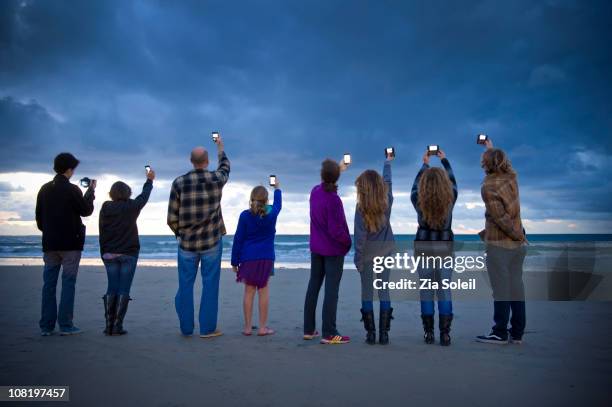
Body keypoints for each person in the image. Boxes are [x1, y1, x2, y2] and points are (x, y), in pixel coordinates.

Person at [167, 136, 230, 338]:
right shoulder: (215, 179)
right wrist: (220, 148)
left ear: (191, 161)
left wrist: (181, 234)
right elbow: (226, 168)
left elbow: (171, 217)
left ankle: (186, 328)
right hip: (211, 242)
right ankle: (207, 329)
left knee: (185, 286)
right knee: (210, 286)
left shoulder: (179, 183)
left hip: (186, 244)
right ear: (207, 161)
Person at [35, 152, 96, 336]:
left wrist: (50, 231)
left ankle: (46, 326)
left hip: (50, 243)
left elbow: (39, 220)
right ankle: (66, 324)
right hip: (70, 244)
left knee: (49, 285)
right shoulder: (72, 190)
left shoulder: (44, 189)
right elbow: (86, 211)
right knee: (68, 284)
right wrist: (91, 192)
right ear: (69, 169)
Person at [476, 139, 528, 345]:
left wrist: (516, 234)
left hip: (500, 245)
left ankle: (499, 332)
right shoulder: (511, 178)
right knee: (517, 287)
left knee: (501, 289)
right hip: (517, 247)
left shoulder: (488, 186)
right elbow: (502, 165)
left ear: (486, 164)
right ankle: (517, 332)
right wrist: (491, 148)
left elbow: (501, 219)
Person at [98, 167, 155, 336]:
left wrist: (103, 252)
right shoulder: (131, 206)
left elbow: (102, 230)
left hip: (109, 253)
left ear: (111, 194)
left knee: (112, 287)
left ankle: (109, 325)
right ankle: (117, 325)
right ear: (128, 193)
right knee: (124, 289)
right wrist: (149, 180)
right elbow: (143, 197)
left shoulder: (106, 207)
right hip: (128, 253)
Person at [411, 148, 457, 346]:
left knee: (427, 291)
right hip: (445, 248)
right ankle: (445, 334)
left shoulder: (418, 199)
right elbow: (454, 182)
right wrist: (445, 161)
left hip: (423, 249)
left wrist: (425, 164)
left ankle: (429, 333)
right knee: (444, 290)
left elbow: (414, 186)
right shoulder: (450, 198)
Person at [304, 158, 352, 344]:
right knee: (331, 290)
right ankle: (329, 332)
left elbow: (326, 184)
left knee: (313, 286)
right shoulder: (334, 200)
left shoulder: (315, 192)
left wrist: (338, 169)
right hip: (332, 250)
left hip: (317, 248)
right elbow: (336, 230)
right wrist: (348, 241)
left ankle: (309, 329)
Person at [231, 181, 282, 337]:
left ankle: (247, 328)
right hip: (266, 257)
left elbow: (238, 239)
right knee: (263, 291)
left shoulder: (245, 215)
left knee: (249, 291)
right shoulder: (271, 213)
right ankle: (262, 328)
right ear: (266, 201)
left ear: (251, 199)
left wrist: (234, 261)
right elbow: (278, 204)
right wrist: (277, 188)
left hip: (248, 257)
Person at [354, 155, 395, 345]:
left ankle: (371, 334)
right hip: (386, 252)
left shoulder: (361, 207)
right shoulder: (387, 201)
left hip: (369, 256)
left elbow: (360, 237)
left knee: (367, 292)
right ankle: (384, 334)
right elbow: (388, 181)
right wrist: (387, 162)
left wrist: (358, 260)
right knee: (384, 290)